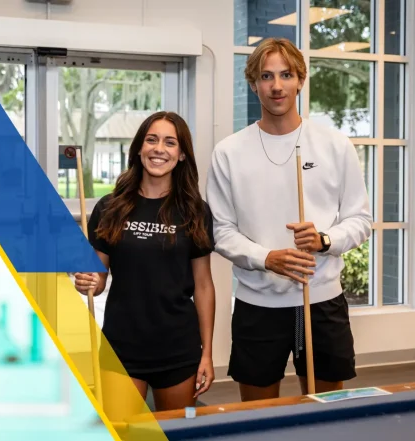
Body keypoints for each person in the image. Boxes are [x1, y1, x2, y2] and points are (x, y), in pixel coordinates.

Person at [206, 37, 373, 402]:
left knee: (326, 413)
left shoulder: (334, 145)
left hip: (322, 302)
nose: (276, 85)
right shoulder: (229, 152)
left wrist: (324, 240)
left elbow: (360, 220)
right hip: (257, 305)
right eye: (266, 76)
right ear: (253, 84)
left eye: (286, 75)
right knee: (258, 413)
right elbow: (220, 231)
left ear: (301, 80)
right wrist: (266, 258)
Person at [72, 111, 216, 412]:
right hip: (121, 345)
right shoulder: (110, 207)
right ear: (139, 148)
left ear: (181, 156)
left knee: (174, 434)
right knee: (125, 435)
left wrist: (207, 354)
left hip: (177, 346)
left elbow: (203, 286)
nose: (158, 149)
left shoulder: (194, 211)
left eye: (170, 142)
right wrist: (87, 280)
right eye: (151, 140)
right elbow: (97, 280)